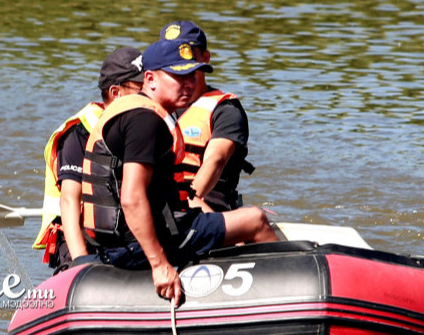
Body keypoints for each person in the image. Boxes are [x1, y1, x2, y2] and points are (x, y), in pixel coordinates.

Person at [78, 35, 277, 303]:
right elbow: (131, 197)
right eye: (177, 77)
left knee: (215, 221)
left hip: (114, 242)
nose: (189, 84)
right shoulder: (146, 121)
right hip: (137, 245)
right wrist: (159, 264)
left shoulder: (130, 111)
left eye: (192, 76)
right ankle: (282, 295)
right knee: (254, 219)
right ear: (150, 79)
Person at [32, 46, 144, 272]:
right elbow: (69, 200)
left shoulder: (142, 128)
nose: (150, 94)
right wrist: (81, 263)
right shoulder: (79, 133)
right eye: (141, 88)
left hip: (121, 234)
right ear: (116, 92)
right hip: (79, 237)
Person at [156, 20, 254, 213]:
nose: (178, 62)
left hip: (209, 210)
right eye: (170, 54)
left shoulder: (226, 111)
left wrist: (186, 204)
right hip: (164, 207)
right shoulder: (154, 107)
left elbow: (215, 161)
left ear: (205, 58)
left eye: (186, 54)